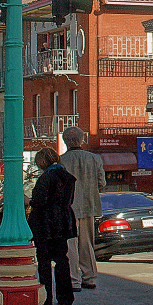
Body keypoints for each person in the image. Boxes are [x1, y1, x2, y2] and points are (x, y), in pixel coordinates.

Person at [26, 147, 75, 305]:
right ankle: (65, 297)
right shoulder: (67, 177)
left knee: (44, 261)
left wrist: (29, 201)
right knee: (62, 260)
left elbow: (39, 202)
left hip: (45, 223)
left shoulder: (46, 178)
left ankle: (46, 298)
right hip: (62, 221)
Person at [59, 125, 105, 292]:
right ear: (82, 140)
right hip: (88, 206)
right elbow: (102, 183)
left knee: (70, 246)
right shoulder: (94, 159)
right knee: (87, 245)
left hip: (68, 208)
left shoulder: (61, 161)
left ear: (65, 142)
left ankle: (73, 280)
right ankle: (90, 277)